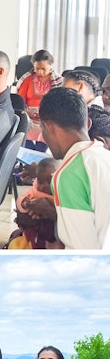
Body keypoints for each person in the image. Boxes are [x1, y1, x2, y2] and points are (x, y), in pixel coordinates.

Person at [39, 87, 110, 248]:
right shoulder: (104, 156)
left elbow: (82, 251)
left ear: (47, 127)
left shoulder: (69, 174)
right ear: (87, 124)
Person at [18, 49, 63, 125]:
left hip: (51, 119)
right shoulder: (27, 79)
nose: (40, 72)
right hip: (28, 119)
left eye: (43, 69)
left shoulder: (59, 81)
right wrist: (26, 112)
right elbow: (20, 101)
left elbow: (61, 104)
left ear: (51, 66)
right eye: (37, 68)